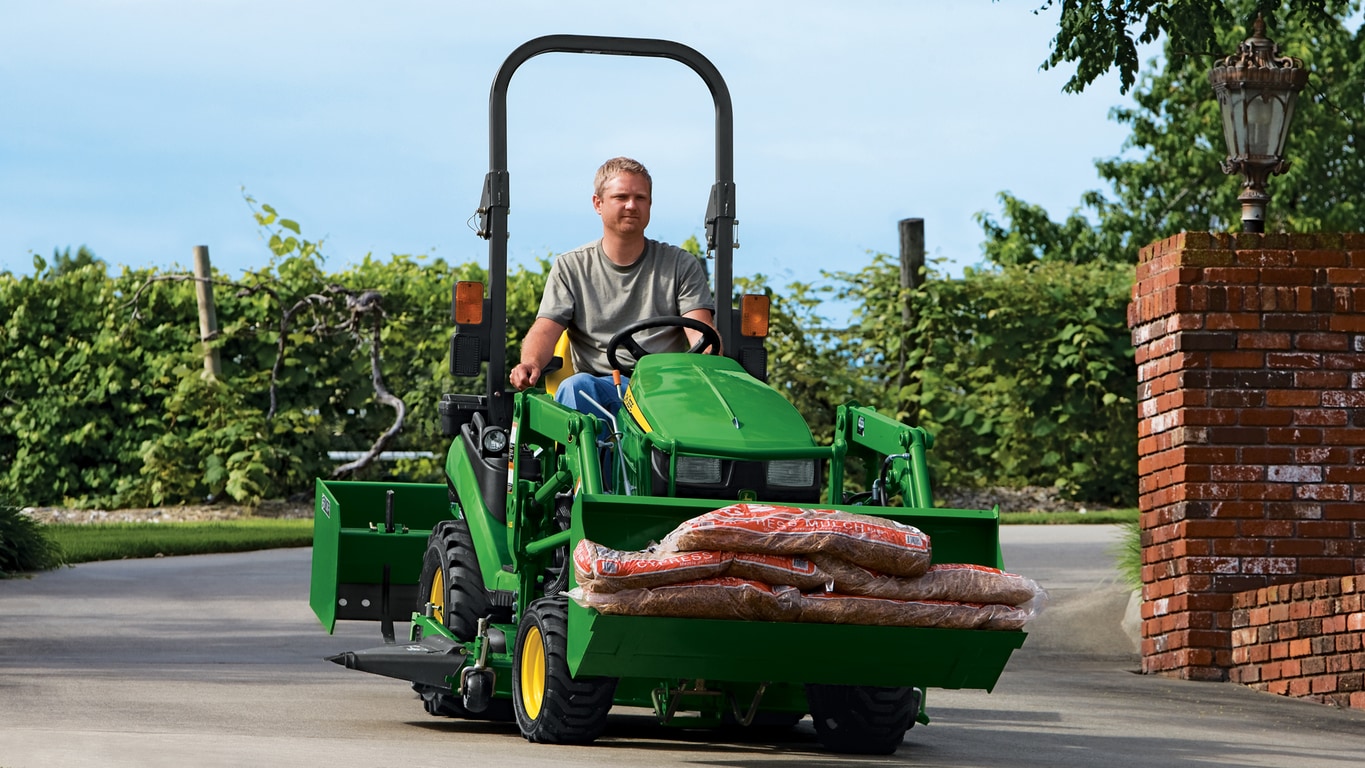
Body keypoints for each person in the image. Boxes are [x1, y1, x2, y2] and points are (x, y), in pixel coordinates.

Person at [509, 157, 718, 423]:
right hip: (603, 389)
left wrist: (713, 375)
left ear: (650, 205)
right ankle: (597, 461)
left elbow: (700, 332)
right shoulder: (571, 267)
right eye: (621, 197)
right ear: (598, 204)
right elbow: (545, 329)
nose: (632, 205)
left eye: (640, 198)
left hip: (667, 391)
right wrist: (531, 363)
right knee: (576, 387)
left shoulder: (679, 264)